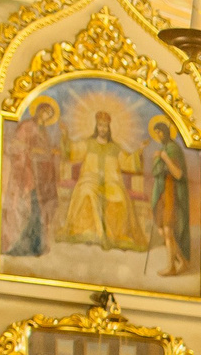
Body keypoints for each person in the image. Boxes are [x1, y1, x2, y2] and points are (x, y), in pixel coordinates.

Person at [61, 109, 146, 251]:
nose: (102, 128)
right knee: (87, 192)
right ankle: (88, 232)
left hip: (111, 182)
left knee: (120, 198)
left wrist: (139, 152)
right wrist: (65, 136)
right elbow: (72, 151)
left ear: (109, 128)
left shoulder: (114, 148)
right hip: (90, 179)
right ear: (96, 127)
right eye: (100, 125)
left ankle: (115, 235)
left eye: (105, 126)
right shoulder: (88, 144)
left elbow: (128, 161)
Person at [3, 99, 63, 259]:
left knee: (40, 209)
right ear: (38, 111)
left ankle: (37, 245)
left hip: (42, 174)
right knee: (31, 207)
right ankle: (23, 244)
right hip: (30, 172)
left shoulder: (44, 131)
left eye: (50, 115)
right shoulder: (27, 126)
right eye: (45, 112)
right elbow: (17, 146)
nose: (46, 116)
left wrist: (52, 153)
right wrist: (32, 152)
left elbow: (44, 151)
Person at [147, 116, 191, 277]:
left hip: (172, 192)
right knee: (162, 231)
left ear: (165, 132)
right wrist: (158, 160)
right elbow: (157, 171)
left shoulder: (173, 149)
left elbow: (178, 173)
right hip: (162, 193)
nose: (158, 136)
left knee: (168, 231)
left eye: (160, 132)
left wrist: (164, 158)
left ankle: (171, 266)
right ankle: (183, 262)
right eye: (156, 133)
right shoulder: (164, 149)